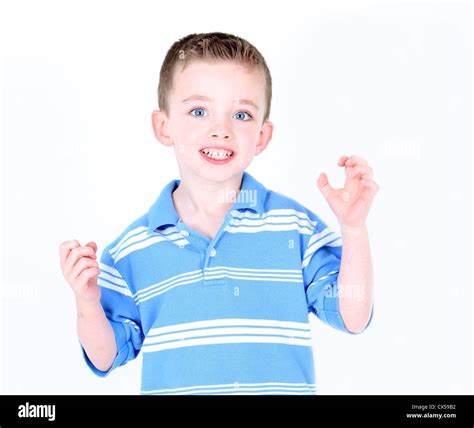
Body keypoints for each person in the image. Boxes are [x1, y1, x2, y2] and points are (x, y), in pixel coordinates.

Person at [59, 32, 379, 395]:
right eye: (199, 111)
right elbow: (105, 356)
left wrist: (353, 229)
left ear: (261, 136)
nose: (221, 130)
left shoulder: (294, 227)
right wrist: (86, 302)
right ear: (164, 127)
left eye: (241, 114)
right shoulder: (132, 250)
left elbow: (353, 317)